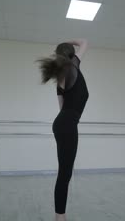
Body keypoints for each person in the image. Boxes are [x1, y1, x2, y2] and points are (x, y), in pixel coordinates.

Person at [37, 39, 89, 221]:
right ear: (72, 55)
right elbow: (85, 42)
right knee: (65, 173)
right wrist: (69, 41)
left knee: (65, 172)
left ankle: (60, 215)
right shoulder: (74, 66)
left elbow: (62, 108)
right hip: (66, 124)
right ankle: (60, 217)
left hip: (63, 123)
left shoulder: (61, 76)